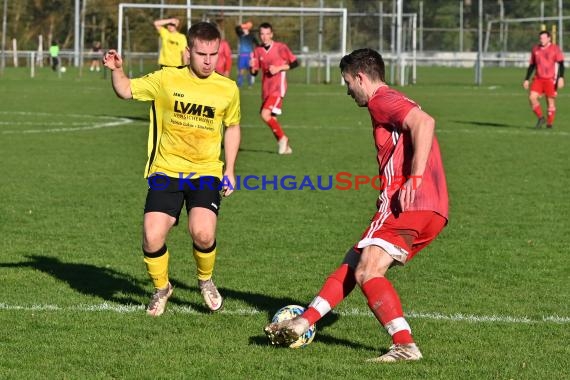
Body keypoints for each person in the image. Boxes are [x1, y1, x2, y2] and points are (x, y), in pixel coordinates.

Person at [264, 48, 449, 363]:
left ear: (360, 77)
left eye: (348, 82)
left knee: (367, 271)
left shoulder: (381, 99)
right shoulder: (391, 100)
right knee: (354, 262)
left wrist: (414, 179)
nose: (347, 89)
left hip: (406, 203)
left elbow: (425, 122)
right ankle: (303, 321)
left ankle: (405, 346)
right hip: (434, 208)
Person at [102, 22, 241, 316]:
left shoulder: (227, 89)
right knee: (152, 237)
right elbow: (126, 90)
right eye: (201, 53)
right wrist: (116, 69)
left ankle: (205, 281)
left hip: (205, 172)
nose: (207, 60)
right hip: (167, 170)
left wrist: (230, 169)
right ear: (187, 51)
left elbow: (232, 127)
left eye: (213, 54)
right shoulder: (166, 79)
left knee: (202, 233)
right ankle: (162, 288)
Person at [250, 22, 298, 155]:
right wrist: (251, 67)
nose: (264, 37)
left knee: (264, 115)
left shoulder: (281, 48)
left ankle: (283, 139)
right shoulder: (258, 50)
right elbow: (254, 72)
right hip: (266, 89)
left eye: (267, 34)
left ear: (271, 34)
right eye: (262, 34)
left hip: (278, 88)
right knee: (272, 118)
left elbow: (295, 63)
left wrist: (279, 68)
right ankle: (286, 147)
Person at [523, 30, 565, 129]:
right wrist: (526, 79)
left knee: (550, 102)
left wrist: (561, 78)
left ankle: (549, 124)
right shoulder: (535, 49)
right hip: (538, 78)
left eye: (544, 38)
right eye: (540, 38)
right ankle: (541, 118)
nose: (542, 40)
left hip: (551, 79)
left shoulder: (555, 49)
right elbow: (532, 65)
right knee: (532, 97)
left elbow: (561, 64)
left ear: (549, 38)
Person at [234, 21, 258, 87]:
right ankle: (240, 83)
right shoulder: (241, 35)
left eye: (246, 28)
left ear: (248, 29)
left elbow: (257, 44)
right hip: (242, 56)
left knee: (249, 70)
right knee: (241, 70)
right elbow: (236, 28)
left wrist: (256, 52)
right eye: (244, 28)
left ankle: (250, 83)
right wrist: (243, 25)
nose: (244, 29)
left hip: (249, 56)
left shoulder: (251, 36)